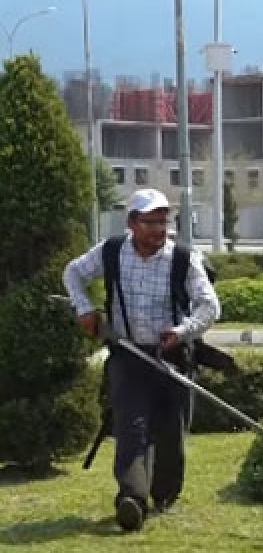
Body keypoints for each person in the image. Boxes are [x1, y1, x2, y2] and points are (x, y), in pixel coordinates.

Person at [63, 189, 221, 532]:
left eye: (163, 221)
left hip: (173, 357)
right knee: (131, 428)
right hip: (128, 356)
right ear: (132, 223)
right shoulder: (111, 251)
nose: (159, 229)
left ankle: (163, 495)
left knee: (170, 434)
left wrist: (182, 331)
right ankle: (132, 498)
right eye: (150, 221)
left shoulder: (183, 259)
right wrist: (85, 307)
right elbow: (72, 273)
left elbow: (210, 306)